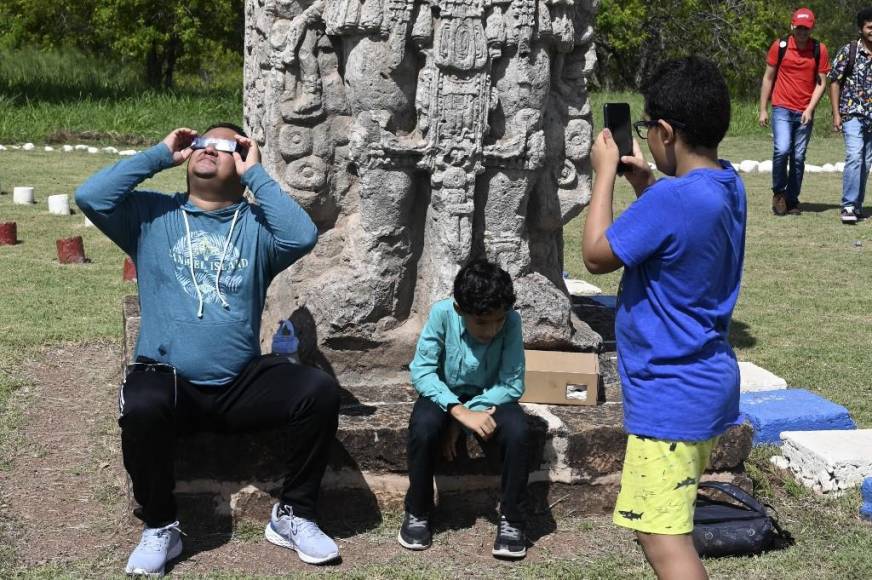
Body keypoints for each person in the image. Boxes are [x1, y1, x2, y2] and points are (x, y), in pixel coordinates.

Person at [75, 124, 341, 574]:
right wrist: (159, 154)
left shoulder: (258, 228)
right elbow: (91, 195)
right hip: (170, 381)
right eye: (201, 143)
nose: (208, 151)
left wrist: (255, 174)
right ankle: (160, 526)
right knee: (140, 401)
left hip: (239, 382)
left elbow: (301, 236)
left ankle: (294, 515)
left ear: (240, 161)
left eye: (225, 147)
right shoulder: (149, 215)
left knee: (318, 389)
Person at [583, 57, 745, 580]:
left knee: (662, 537)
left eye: (646, 127)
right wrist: (645, 185)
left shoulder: (675, 198)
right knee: (664, 523)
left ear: (665, 132)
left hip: (670, 390)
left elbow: (596, 255)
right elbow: (681, 237)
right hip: (704, 377)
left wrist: (604, 175)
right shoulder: (725, 185)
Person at [397, 259, 529, 559]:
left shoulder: (512, 322)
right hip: (444, 395)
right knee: (424, 427)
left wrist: (467, 415)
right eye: (482, 322)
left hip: (491, 397)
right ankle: (418, 509)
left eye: (499, 320)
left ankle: (512, 518)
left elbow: (512, 383)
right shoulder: (443, 313)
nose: (492, 329)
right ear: (460, 310)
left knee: (519, 431)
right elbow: (422, 371)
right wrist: (458, 412)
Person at [758, 7, 829, 216]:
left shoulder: (819, 49)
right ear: (792, 26)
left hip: (804, 110)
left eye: (806, 29)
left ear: (811, 29)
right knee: (782, 150)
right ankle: (779, 193)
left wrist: (810, 108)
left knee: (798, 157)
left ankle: (792, 199)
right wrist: (763, 109)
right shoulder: (779, 46)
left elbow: (821, 83)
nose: (802, 33)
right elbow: (768, 78)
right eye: (798, 28)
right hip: (781, 107)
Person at [829, 7, 872, 224]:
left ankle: (856, 205)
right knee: (854, 156)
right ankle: (847, 205)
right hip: (852, 113)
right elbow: (834, 81)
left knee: (866, 161)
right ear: (861, 28)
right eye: (869, 27)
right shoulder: (849, 51)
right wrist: (836, 113)